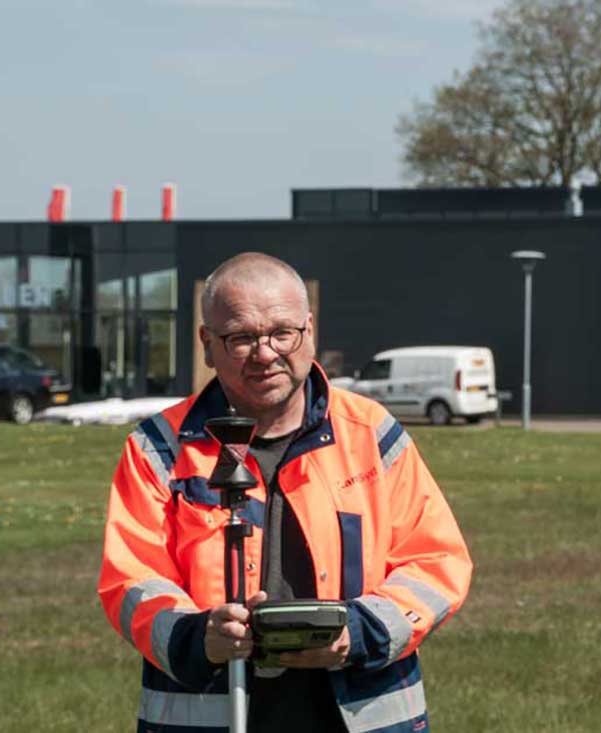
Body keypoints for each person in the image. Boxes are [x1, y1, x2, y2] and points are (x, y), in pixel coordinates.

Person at [98, 252, 472, 732]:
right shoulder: (159, 450)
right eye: (242, 338)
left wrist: (359, 633)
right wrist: (198, 636)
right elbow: (130, 583)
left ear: (309, 331)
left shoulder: (373, 433)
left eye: (281, 333)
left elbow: (435, 563)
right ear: (206, 344)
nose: (265, 353)